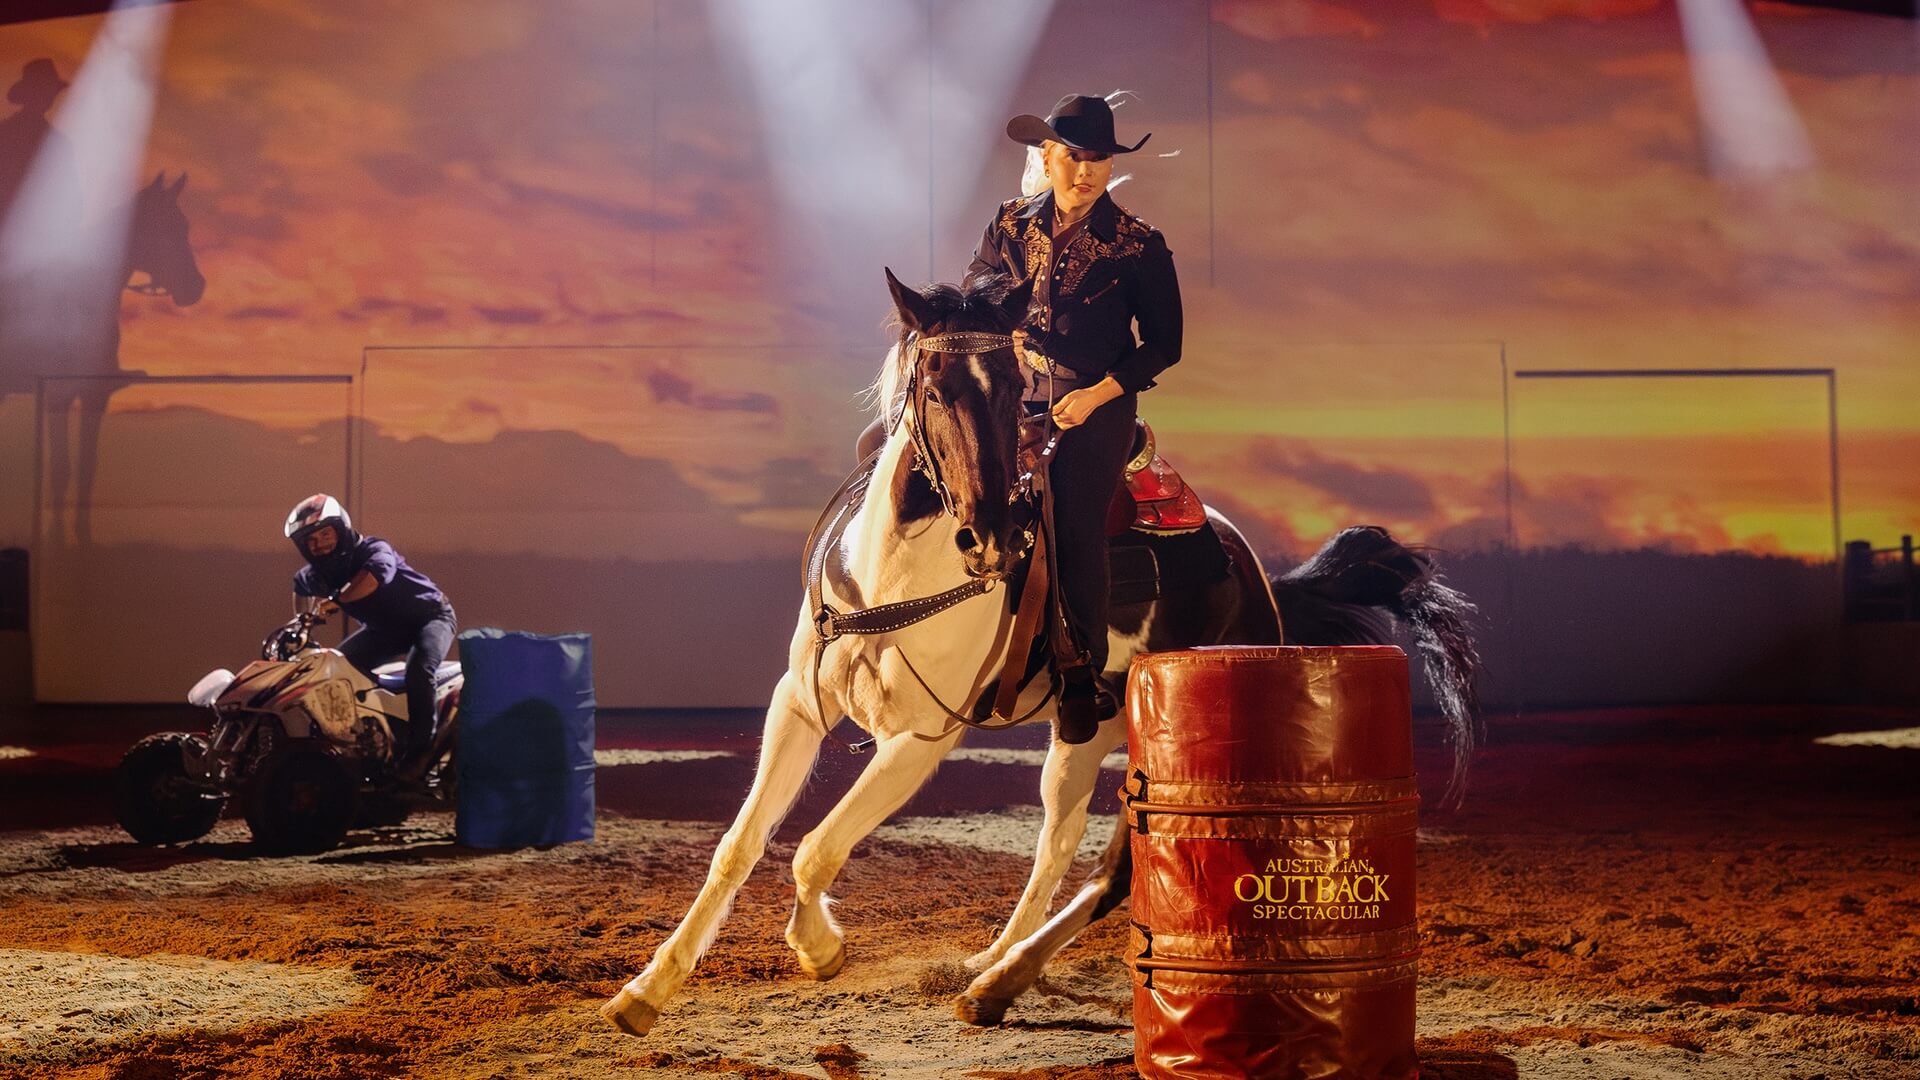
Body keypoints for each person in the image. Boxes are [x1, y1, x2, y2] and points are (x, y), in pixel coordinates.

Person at [969, 93, 1182, 745]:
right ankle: (973, 651)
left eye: (1099, 159)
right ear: (1047, 157)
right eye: (1074, 156)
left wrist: (1097, 395)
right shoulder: (1009, 225)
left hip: (1096, 406)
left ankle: (1079, 673)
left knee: (1072, 521)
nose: (1087, 171)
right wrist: (1000, 337)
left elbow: (1164, 345)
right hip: (1013, 396)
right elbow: (977, 291)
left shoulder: (1137, 244)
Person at [284, 494, 456, 774]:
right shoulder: (316, 574)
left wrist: (337, 601)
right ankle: (361, 744)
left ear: (341, 529)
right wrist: (302, 622)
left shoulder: (374, 549)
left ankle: (421, 752)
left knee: (419, 669)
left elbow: (374, 580)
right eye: (310, 540)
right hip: (384, 631)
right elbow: (300, 588)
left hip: (429, 618)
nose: (319, 544)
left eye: (325, 534)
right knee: (335, 671)